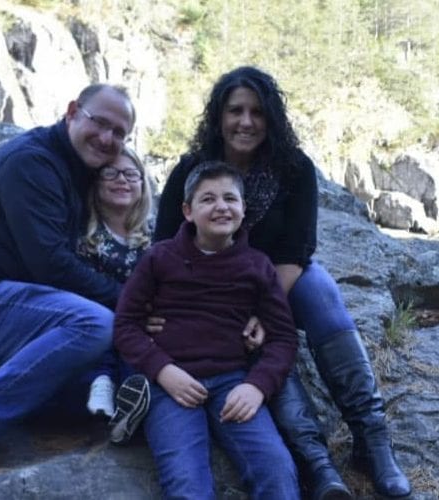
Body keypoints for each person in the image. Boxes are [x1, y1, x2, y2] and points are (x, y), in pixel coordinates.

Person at [154, 66, 412, 499]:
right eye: (235, 110)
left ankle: (373, 441)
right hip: (214, 291)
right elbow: (164, 245)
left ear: (271, 118)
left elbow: (296, 251)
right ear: (219, 117)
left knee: (320, 290)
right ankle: (317, 465)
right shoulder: (192, 171)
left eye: (257, 112)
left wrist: (262, 308)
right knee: (248, 341)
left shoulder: (294, 170)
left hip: (281, 281)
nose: (246, 122)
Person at [0, 83, 136, 479]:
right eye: (99, 122)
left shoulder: (81, 169)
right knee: (94, 326)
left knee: (98, 390)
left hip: (30, 308)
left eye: (119, 133)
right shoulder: (30, 163)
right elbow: (51, 265)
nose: (107, 138)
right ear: (72, 111)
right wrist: (131, 302)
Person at [115, 161, 301, 500]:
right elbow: (125, 325)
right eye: (208, 199)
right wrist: (163, 371)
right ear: (187, 211)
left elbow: (284, 338)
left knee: (276, 469)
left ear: (244, 209)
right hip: (169, 386)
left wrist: (257, 387)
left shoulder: (257, 266)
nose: (221, 207)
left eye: (230, 198)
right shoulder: (159, 258)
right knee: (187, 485)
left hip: (232, 383)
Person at [77, 146, 153, 421]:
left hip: (146, 322)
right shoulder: (84, 234)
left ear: (143, 185)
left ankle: (132, 403)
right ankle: (103, 383)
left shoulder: (155, 234)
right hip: (102, 317)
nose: (122, 180)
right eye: (111, 173)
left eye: (131, 174)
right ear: (96, 183)